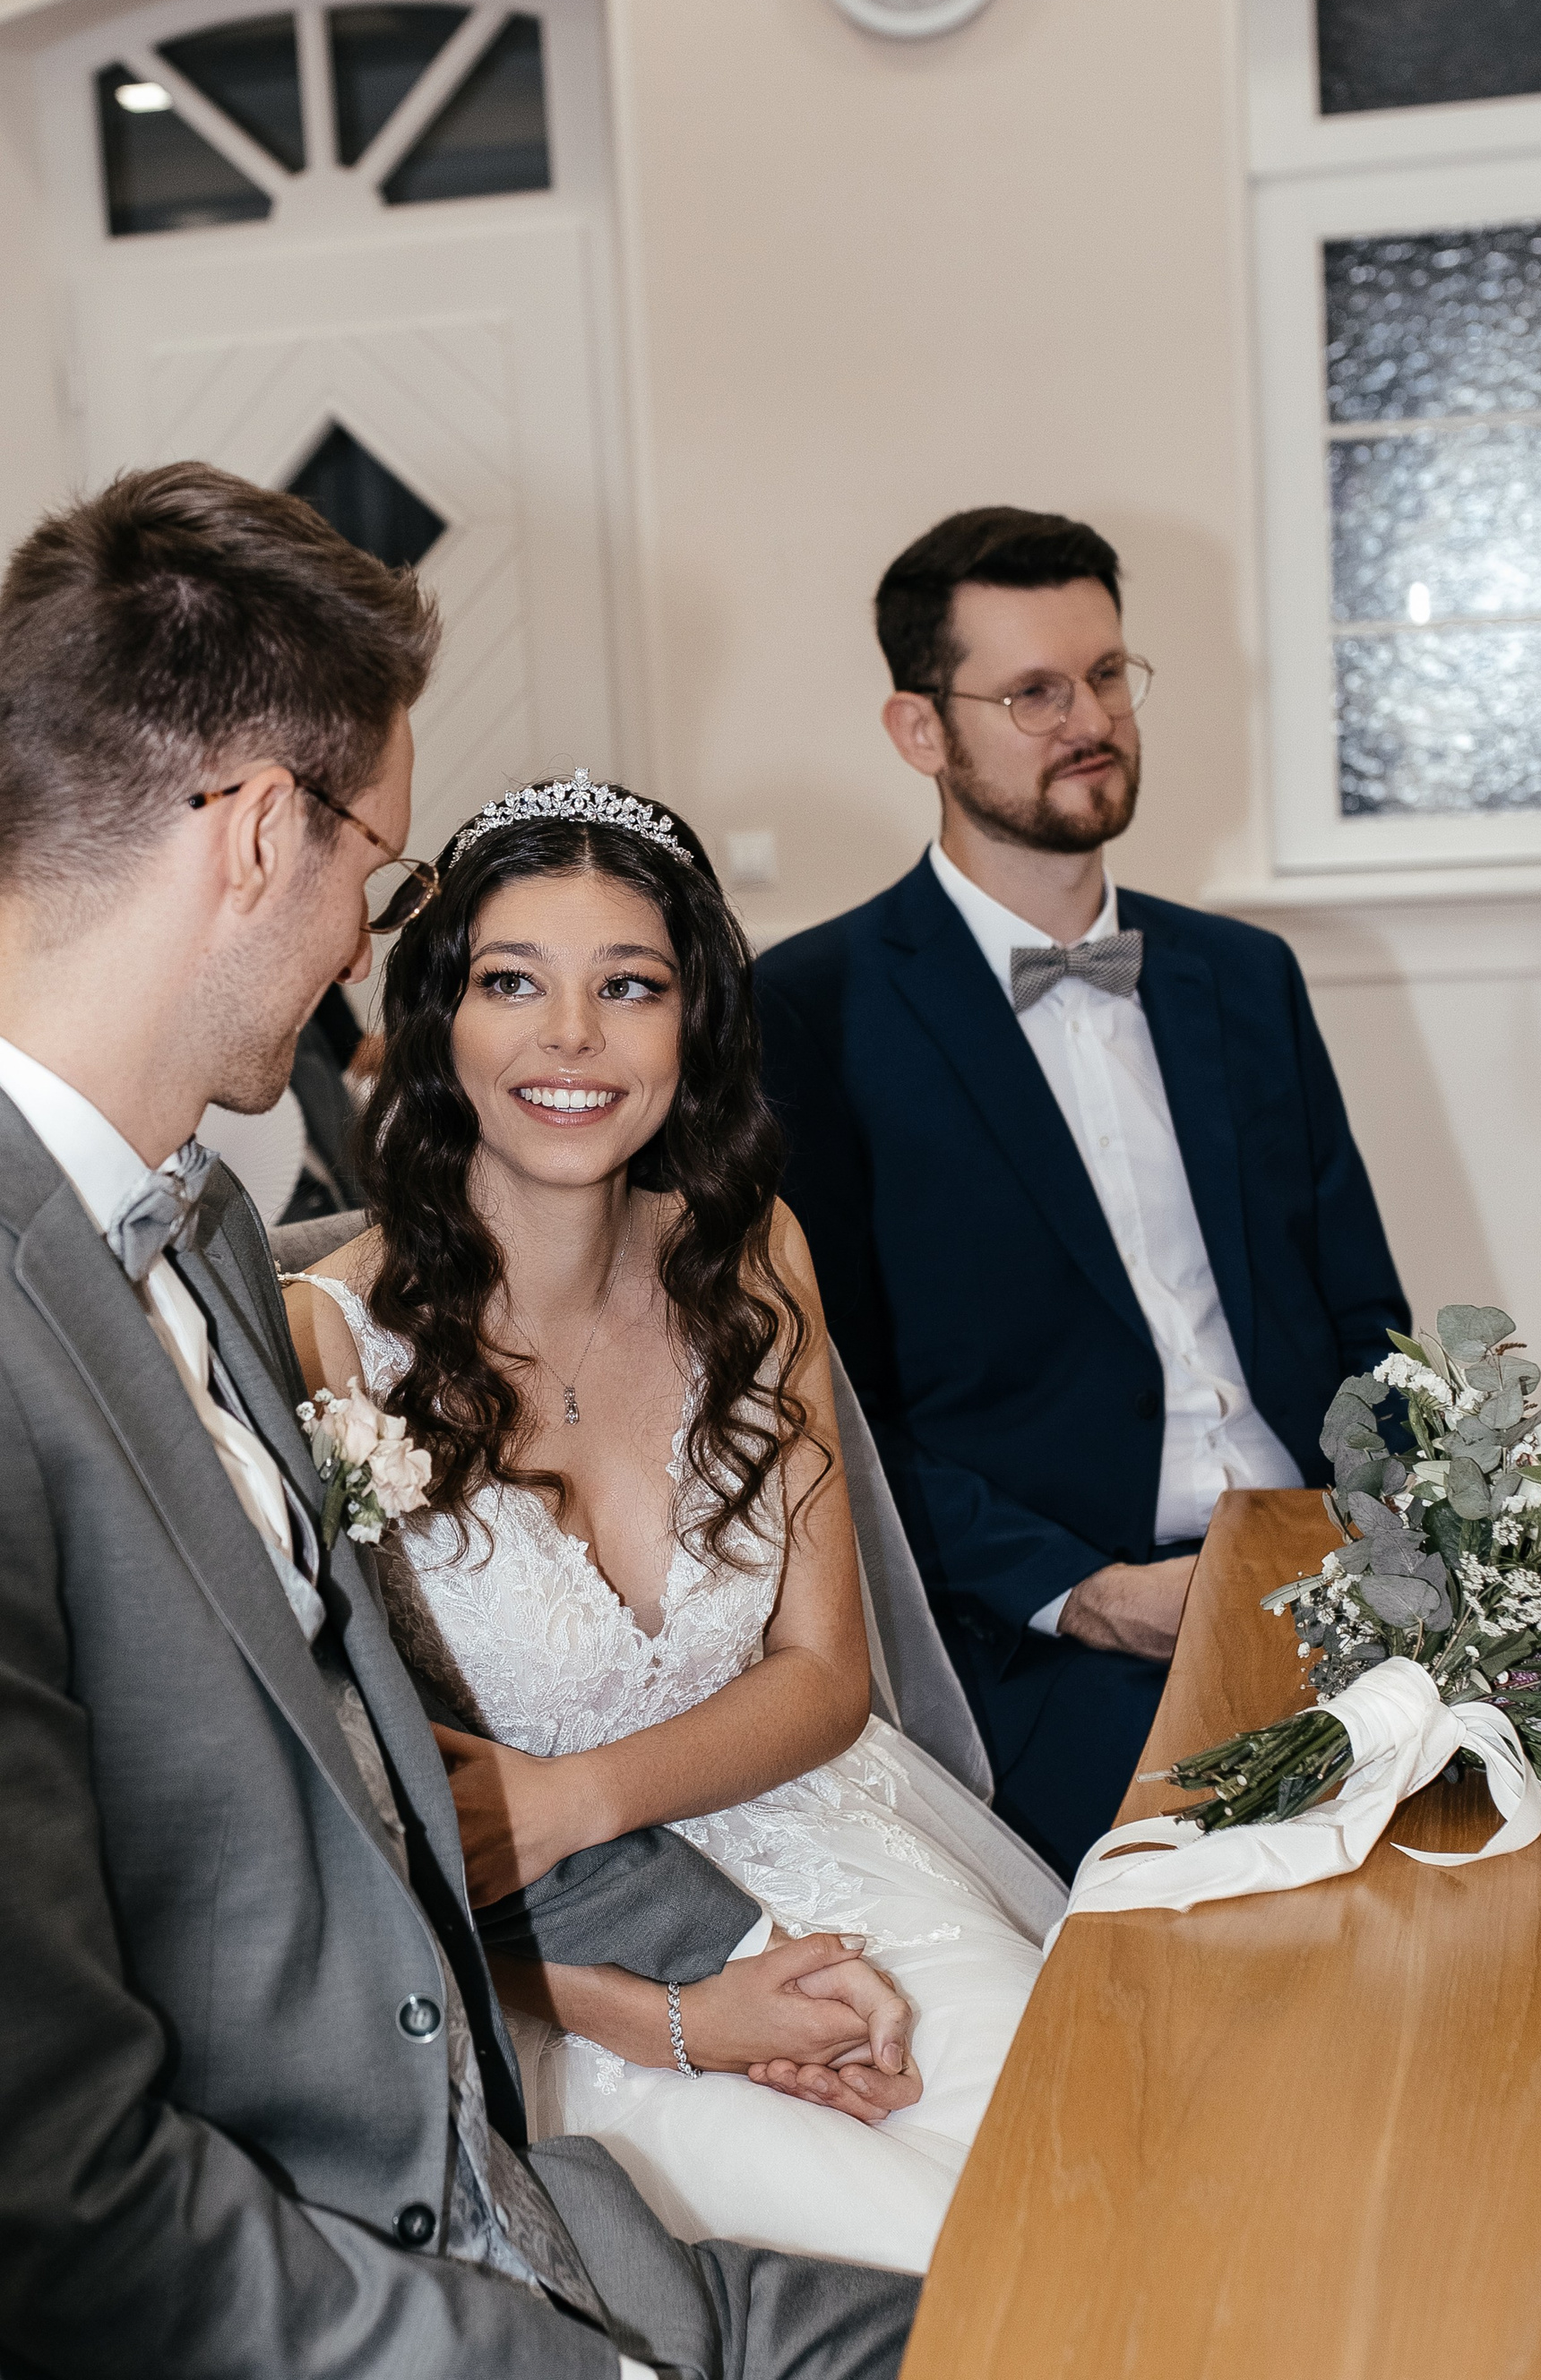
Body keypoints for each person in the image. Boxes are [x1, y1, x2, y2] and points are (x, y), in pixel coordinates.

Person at [0, 463, 917, 2380]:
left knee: (1079, 2300)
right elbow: (69, 2208)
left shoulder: (202, 1231)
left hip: (526, 2207)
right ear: (266, 833)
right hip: (355, 2307)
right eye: (379, 869)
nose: (366, 941)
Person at [286, 771, 1051, 2279]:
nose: (572, 1035)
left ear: (694, 1021)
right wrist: (683, 2019)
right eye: (513, 981)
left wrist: (570, 1796)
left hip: (824, 1840)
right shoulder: (324, 1342)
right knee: (911, 2266)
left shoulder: (754, 1257)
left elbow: (825, 1675)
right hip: (558, 1972)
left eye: (629, 985)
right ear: (438, 1019)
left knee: (1082, 2153)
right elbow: (355, 1856)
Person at [753, 506, 1409, 1878]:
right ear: (919, 729)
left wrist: (1417, 1527)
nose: (1092, 719)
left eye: (1108, 675)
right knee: (1258, 1905)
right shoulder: (811, 1009)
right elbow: (833, 1413)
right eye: (1034, 692)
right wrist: (1090, 1596)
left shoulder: (1246, 977)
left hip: (1331, 1558)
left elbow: (1366, 1314)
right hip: (1052, 1633)